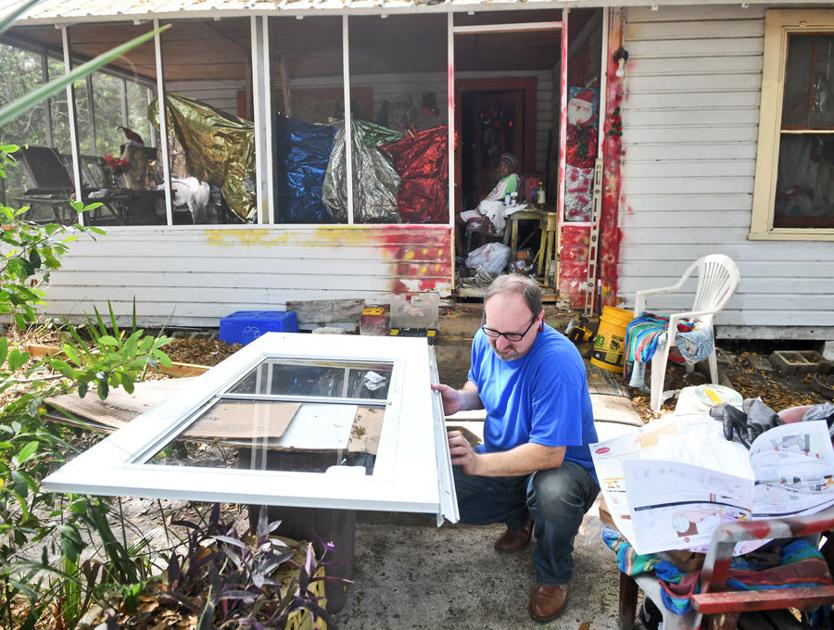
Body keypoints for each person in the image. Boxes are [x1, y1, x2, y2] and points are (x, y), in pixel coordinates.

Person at [432, 274, 599, 623]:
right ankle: (519, 517)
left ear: (539, 321)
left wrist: (478, 464)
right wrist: (461, 400)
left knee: (551, 492)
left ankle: (554, 574)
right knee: (439, 484)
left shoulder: (558, 362)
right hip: (507, 456)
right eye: (493, 331)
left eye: (512, 335)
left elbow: (548, 454)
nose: (501, 345)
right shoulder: (487, 338)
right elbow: (480, 384)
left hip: (564, 467)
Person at [456, 152, 520, 255]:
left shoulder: (512, 178)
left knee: (456, 220)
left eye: (505, 167)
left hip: (488, 214)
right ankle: (461, 253)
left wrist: (486, 203)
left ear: (511, 169)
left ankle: (460, 254)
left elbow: (507, 199)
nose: (501, 169)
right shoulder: (503, 180)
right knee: (456, 220)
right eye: (500, 166)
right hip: (483, 210)